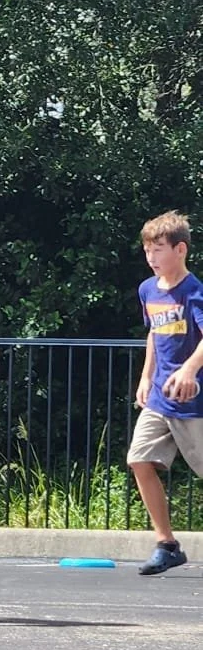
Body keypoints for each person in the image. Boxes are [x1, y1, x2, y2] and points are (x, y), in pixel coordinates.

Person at [126, 211, 203, 575]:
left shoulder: (194, 292)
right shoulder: (147, 289)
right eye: (147, 250)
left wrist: (190, 369)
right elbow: (155, 333)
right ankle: (167, 544)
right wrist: (146, 376)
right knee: (139, 459)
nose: (151, 257)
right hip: (159, 396)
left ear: (180, 249)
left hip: (193, 400)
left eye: (158, 249)